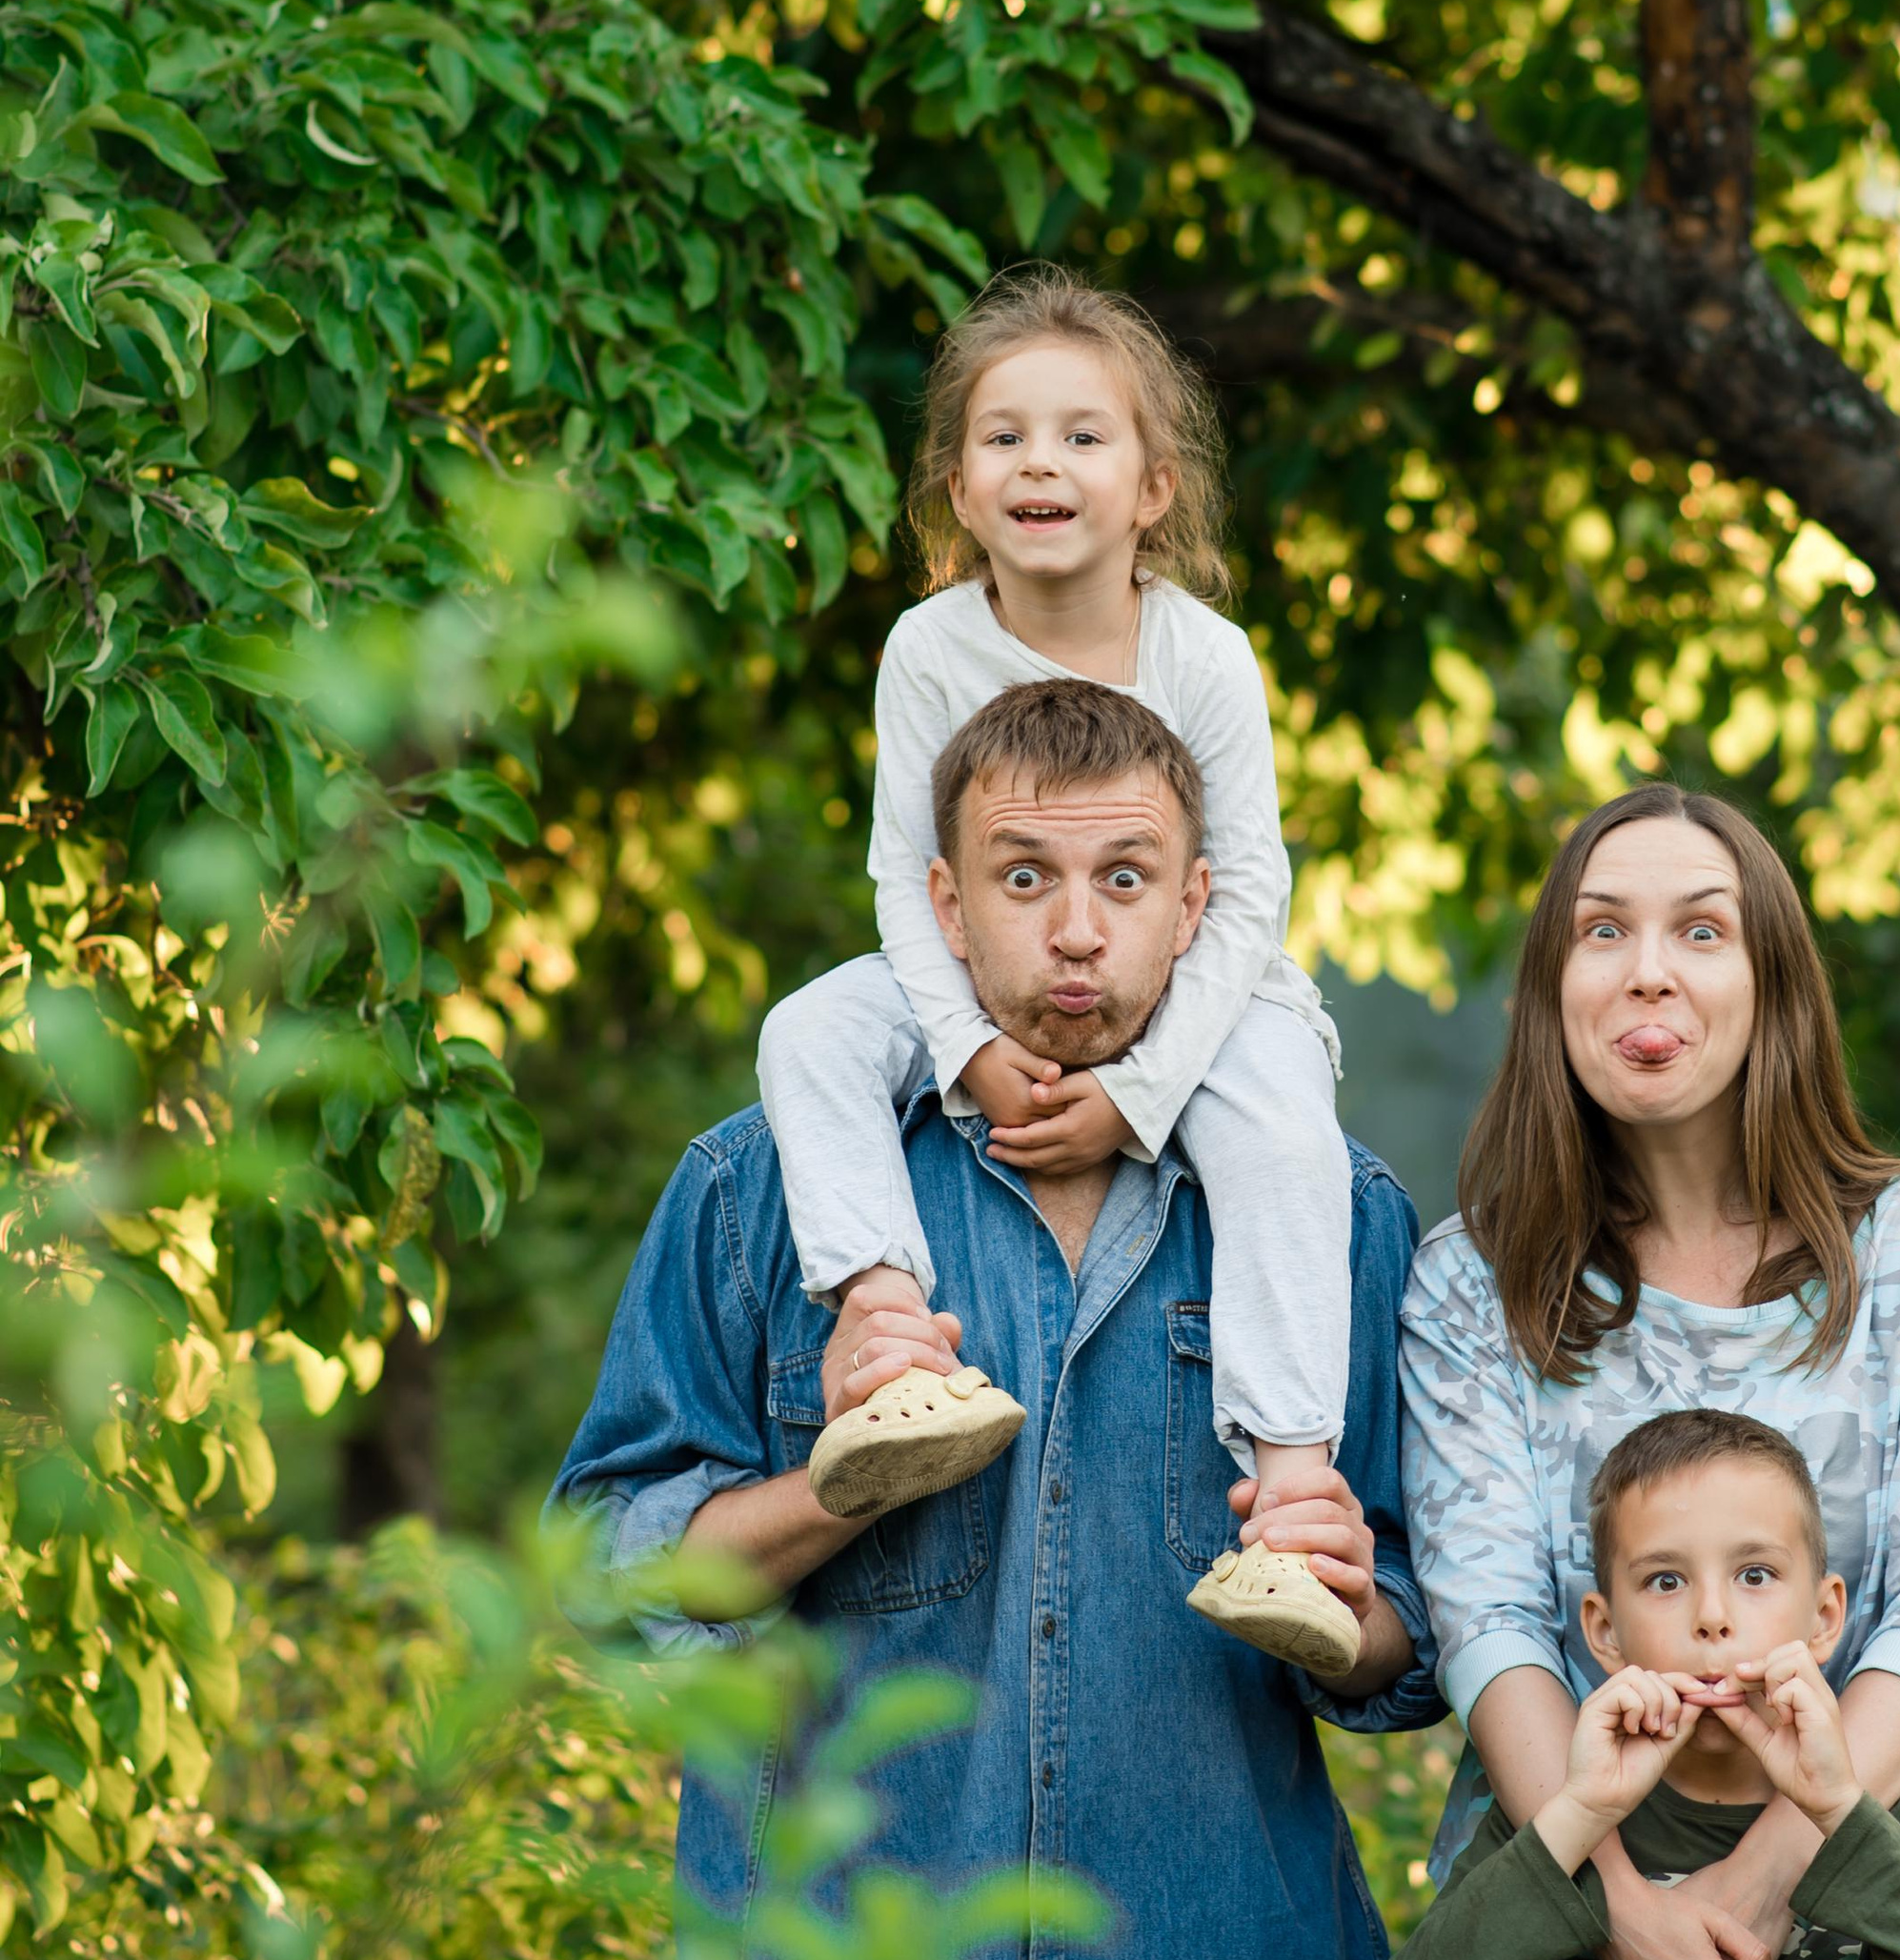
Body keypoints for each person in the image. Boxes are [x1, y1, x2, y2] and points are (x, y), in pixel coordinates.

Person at [552, 679, 1442, 1957]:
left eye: (1125, 879)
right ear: (944, 907)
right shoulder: (760, 1187)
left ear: (1196, 906)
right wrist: (837, 1494)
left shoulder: (1333, 1212)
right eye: (1024, 878)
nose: (1077, 933)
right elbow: (600, 1572)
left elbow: (1416, 1642)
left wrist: (1350, 1601)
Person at [754, 267, 1360, 1669]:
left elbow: (1245, 894)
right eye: (1005, 436)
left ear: (1153, 487)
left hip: (1198, 994)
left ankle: (1288, 1496)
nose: (1042, 462)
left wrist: (1142, 1094)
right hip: (967, 978)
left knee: (1283, 1128)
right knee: (809, 1033)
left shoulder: (1204, 656)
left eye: (1083, 435)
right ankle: (894, 1340)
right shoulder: (926, 649)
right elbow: (905, 881)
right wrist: (967, 1050)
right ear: (959, 490)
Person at [1401, 785, 1900, 1960]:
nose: (1648, 973)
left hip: (1878, 1888)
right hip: (1563, 1891)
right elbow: (1490, 1625)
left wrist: (1764, 1882)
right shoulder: (1471, 1281)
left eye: (1700, 930)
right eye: (1602, 930)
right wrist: (1619, 1903)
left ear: (1771, 982)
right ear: (1551, 988)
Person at [1400, 1410, 1900, 1960]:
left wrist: (1842, 1813)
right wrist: (1579, 1817)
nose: (1711, 1616)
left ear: (1823, 1618)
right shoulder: (1556, 1821)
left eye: (1754, 1575)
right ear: (1605, 1631)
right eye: (1666, 1581)